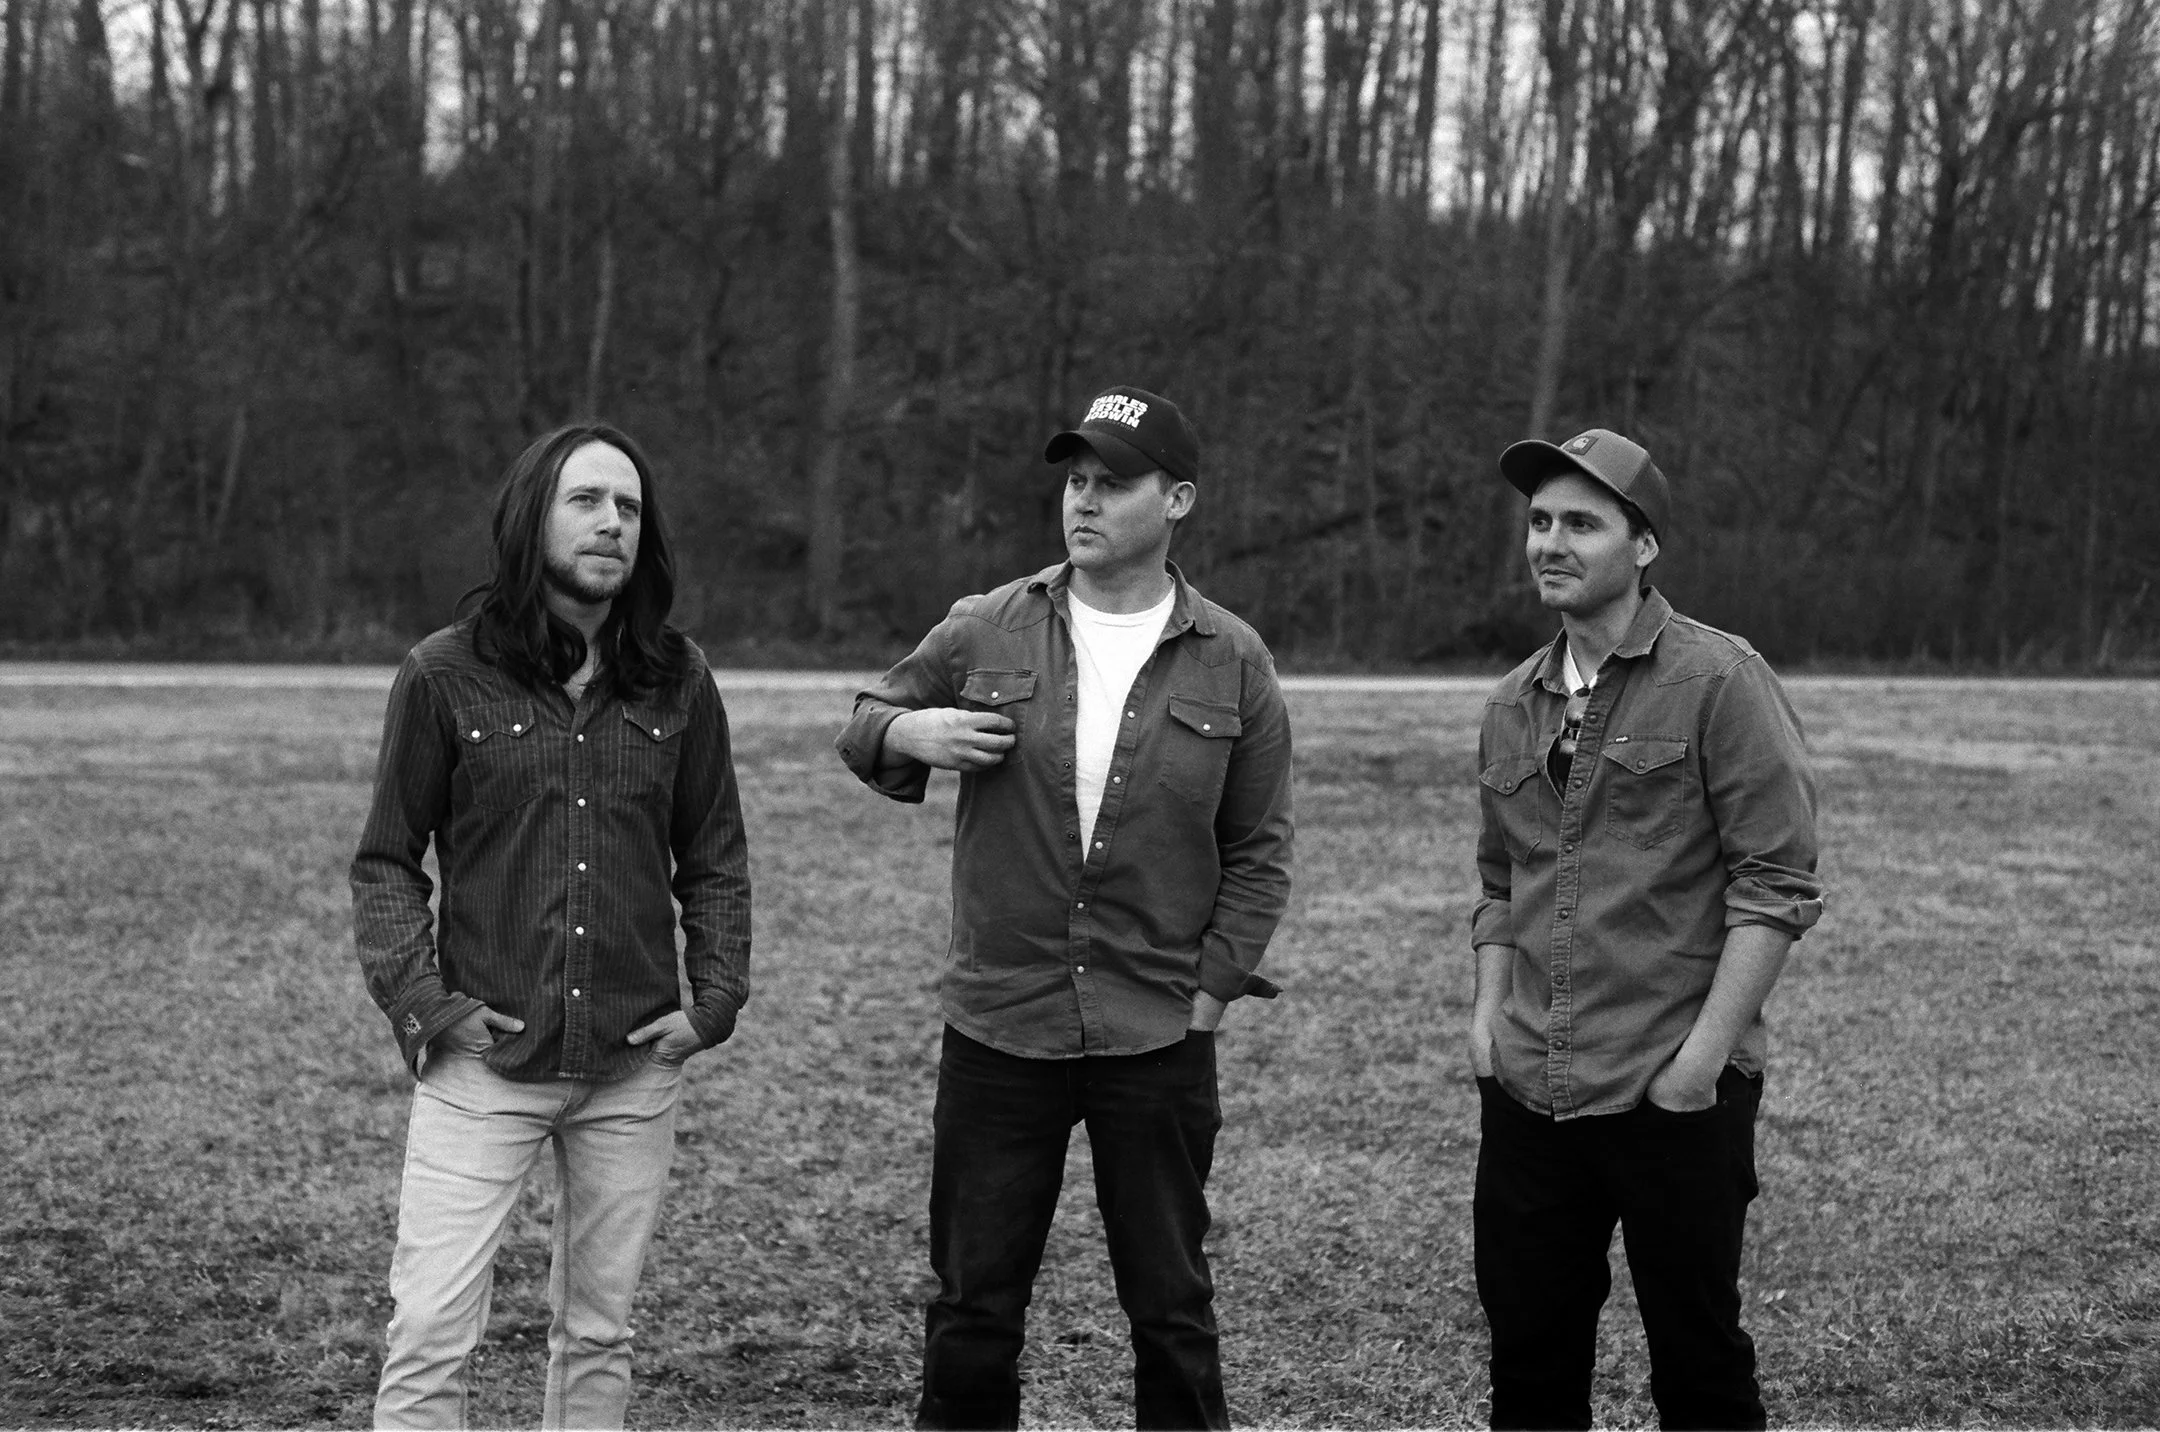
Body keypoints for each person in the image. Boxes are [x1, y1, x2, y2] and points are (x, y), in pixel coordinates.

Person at [836, 386, 1295, 1430]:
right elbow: (866, 717)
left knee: (1172, 1308)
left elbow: (1260, 850)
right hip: (1001, 1026)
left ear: (1176, 499)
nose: (1083, 501)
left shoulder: (1234, 658)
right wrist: (909, 738)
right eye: (1075, 481)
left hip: (1157, 1031)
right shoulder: (985, 626)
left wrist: (1212, 994)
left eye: (1113, 482)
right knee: (973, 1306)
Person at [351, 422, 752, 1429]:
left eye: (628, 506)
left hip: (632, 1066)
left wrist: (716, 1000)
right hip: (483, 1063)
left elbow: (714, 856)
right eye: (587, 500)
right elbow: (388, 861)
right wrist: (425, 1003)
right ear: (532, 517)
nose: (612, 522)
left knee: (600, 1335)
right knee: (431, 1332)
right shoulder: (443, 675)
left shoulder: (681, 681)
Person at [1467, 428, 1823, 1431]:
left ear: (1644, 543)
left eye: (1582, 522)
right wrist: (1488, 1022)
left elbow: (1776, 883)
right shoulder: (1510, 704)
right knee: (1530, 1370)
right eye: (1539, 522)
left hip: (1674, 1095)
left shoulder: (1720, 681)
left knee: (1699, 1366)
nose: (1551, 542)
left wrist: (1700, 1063)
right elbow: (1500, 878)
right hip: (1530, 1091)